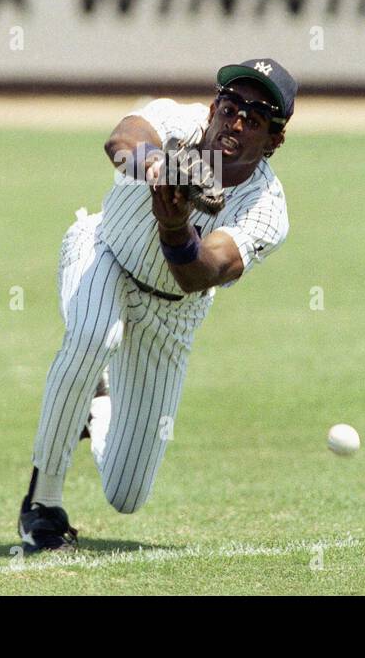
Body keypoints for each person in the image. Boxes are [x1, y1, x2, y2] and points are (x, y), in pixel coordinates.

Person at [18, 59, 298, 552]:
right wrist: (155, 165)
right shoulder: (179, 122)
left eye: (254, 119)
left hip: (173, 311)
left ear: (274, 140)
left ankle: (96, 403)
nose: (235, 121)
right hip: (102, 252)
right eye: (230, 106)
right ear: (213, 107)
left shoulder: (266, 209)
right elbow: (123, 136)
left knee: (127, 494)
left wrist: (174, 228)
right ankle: (43, 502)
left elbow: (202, 274)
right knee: (94, 335)